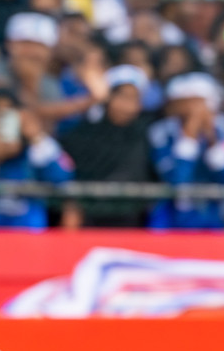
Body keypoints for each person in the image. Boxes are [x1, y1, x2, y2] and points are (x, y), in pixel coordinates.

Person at [59, 65, 155, 228]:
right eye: (123, 97)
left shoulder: (146, 132)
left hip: (131, 220)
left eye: (135, 99)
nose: (129, 106)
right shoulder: (83, 133)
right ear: (109, 97)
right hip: (87, 218)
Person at [0, 88, 74, 230]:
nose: (2, 118)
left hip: (28, 233)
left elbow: (61, 177)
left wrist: (37, 137)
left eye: (9, 112)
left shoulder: (33, 153)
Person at [148, 71, 224, 229]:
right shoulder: (161, 131)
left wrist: (211, 138)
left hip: (215, 215)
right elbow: (176, 179)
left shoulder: (222, 127)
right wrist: (189, 135)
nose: (196, 110)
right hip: (174, 217)